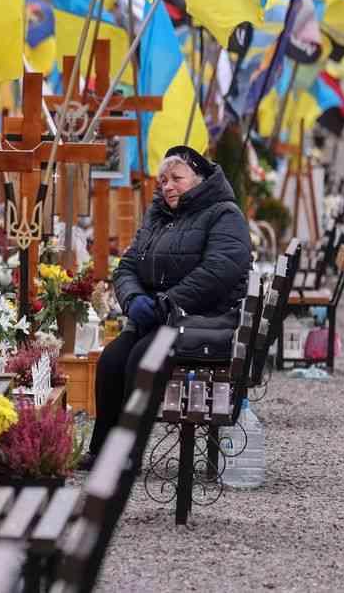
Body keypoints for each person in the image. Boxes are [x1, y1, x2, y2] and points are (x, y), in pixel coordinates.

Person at [80, 145, 252, 467]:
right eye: (163, 180)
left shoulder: (224, 214)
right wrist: (133, 299)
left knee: (140, 360)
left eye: (177, 178)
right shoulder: (159, 215)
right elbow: (127, 265)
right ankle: (103, 452)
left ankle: (127, 455)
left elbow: (219, 271)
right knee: (111, 361)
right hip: (157, 317)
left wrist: (167, 303)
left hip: (202, 319)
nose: (168, 186)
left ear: (199, 179)